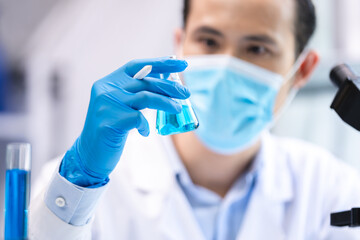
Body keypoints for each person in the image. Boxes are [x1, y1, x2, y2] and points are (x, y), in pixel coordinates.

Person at [29, 0, 360, 239]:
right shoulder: (78, 187)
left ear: (302, 69)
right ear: (180, 45)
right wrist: (81, 177)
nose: (225, 67)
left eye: (257, 48)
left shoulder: (332, 191)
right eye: (209, 41)